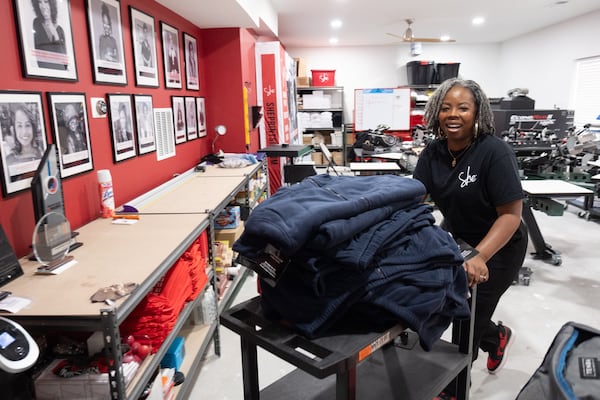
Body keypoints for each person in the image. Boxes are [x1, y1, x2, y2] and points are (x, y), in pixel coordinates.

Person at [412, 79, 528, 399]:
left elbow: (510, 215)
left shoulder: (494, 152)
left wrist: (479, 255)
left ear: (476, 112)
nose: (453, 114)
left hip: (500, 246)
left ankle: (451, 391)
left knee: (470, 321)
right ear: (436, 113)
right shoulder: (433, 153)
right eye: (446, 107)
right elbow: (415, 199)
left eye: (463, 107)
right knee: (456, 305)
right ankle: (498, 336)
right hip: (459, 240)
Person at [31, 0, 66, 69]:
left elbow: (63, 60)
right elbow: (41, 53)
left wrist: (52, 28)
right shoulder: (37, 23)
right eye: (40, 2)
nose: (43, 6)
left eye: (46, 2)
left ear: (51, 5)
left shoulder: (60, 30)